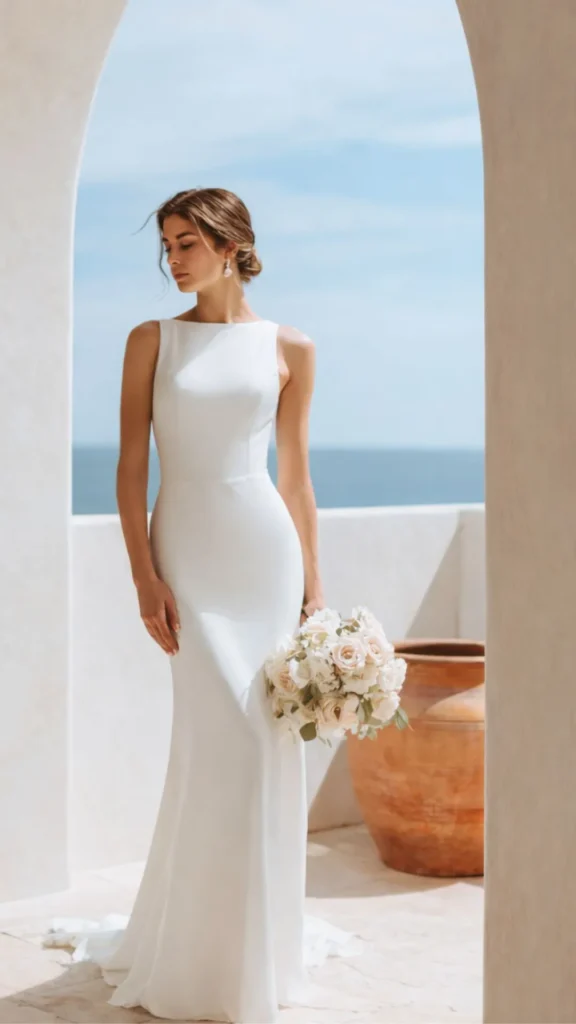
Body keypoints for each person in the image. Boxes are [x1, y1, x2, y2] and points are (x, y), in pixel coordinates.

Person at [45, 187, 363, 1022]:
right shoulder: (152, 341)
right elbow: (127, 469)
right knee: (216, 737)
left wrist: (315, 590)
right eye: (169, 245)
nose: (174, 260)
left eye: (189, 243)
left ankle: (249, 951)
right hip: (187, 553)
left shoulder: (291, 347)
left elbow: (294, 478)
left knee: (261, 749)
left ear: (231, 246)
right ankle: (193, 950)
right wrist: (144, 575)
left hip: (264, 554)